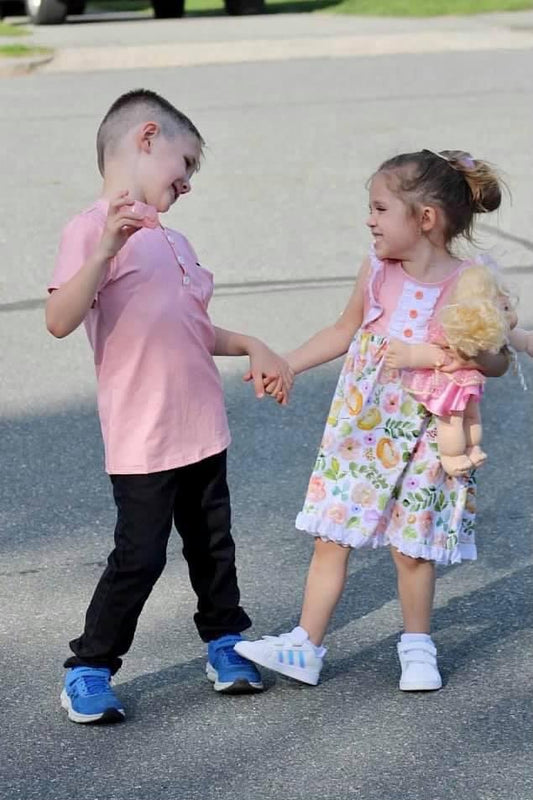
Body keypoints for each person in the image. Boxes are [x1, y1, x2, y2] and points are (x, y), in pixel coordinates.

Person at [46, 89, 292, 724]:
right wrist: (104, 248)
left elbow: (190, 327)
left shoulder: (173, 241)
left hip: (202, 427)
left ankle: (226, 643)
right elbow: (58, 319)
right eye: (185, 166)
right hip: (144, 436)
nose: (187, 184)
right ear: (146, 138)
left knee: (214, 548)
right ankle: (90, 667)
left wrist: (250, 345)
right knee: (141, 555)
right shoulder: (90, 231)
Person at [235, 148, 509, 691]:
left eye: (381, 209)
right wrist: (288, 363)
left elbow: (496, 358)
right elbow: (344, 330)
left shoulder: (470, 282)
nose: (370, 220)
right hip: (363, 427)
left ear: (425, 219)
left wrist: (450, 353)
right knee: (330, 536)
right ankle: (305, 646)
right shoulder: (377, 269)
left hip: (431, 431)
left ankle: (417, 649)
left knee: (412, 547)